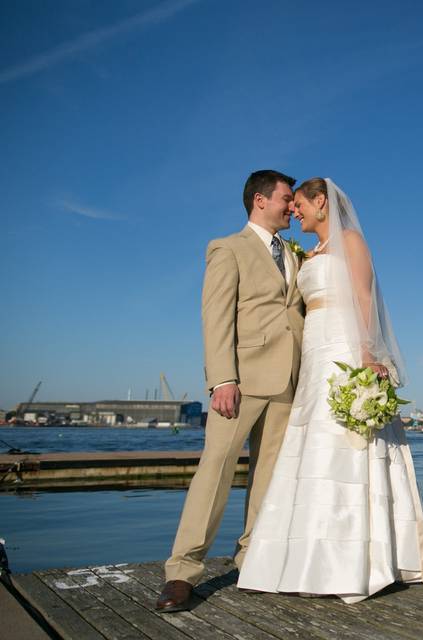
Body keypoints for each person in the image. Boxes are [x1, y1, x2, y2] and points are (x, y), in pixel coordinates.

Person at [237, 177, 423, 602]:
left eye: (299, 204)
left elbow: (364, 297)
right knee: (312, 441)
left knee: (347, 442)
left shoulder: (351, 241)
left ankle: (360, 560)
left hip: (345, 348)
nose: (294, 211)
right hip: (314, 352)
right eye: (289, 204)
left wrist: (368, 354)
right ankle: (308, 558)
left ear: (321, 203)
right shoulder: (307, 254)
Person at [155, 170, 305, 613]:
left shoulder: (294, 254)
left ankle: (253, 560)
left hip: (288, 383)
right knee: (215, 469)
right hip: (241, 382)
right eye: (285, 199)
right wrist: (222, 379)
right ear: (260, 200)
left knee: (269, 478)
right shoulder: (228, 247)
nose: (291, 207)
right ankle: (182, 571)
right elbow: (215, 315)